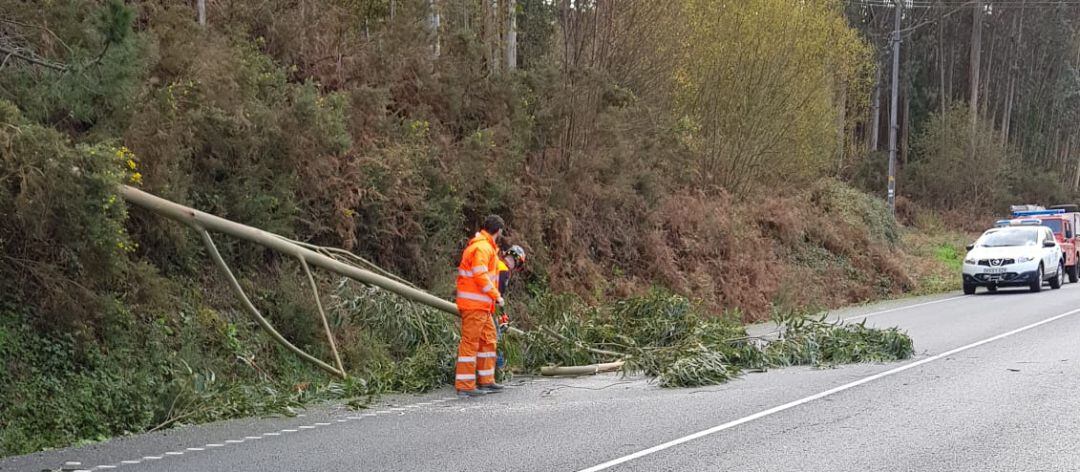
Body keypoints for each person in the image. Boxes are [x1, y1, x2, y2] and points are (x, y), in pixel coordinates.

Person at [454, 215, 506, 397]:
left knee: (488, 340)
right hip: (474, 306)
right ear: (498, 231)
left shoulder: (484, 247)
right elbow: (480, 275)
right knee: (470, 344)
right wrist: (496, 295)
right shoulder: (483, 248)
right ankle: (465, 386)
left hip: (481, 307)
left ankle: (486, 381)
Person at [493, 245, 526, 371]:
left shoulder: (497, 263)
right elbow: (498, 296)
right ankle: (499, 369)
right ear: (516, 261)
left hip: (482, 304)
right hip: (489, 308)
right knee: (497, 339)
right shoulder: (503, 271)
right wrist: (501, 315)